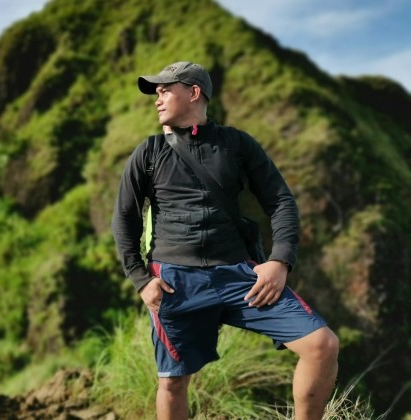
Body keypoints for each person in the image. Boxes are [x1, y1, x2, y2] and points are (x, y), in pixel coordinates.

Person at [111, 61, 339, 420]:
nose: (157, 98)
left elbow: (280, 201)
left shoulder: (237, 144)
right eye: (156, 92)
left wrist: (280, 261)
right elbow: (124, 218)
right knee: (172, 381)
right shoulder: (149, 152)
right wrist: (141, 280)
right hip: (175, 283)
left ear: (194, 92)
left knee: (321, 345)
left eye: (165, 90)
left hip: (240, 277)